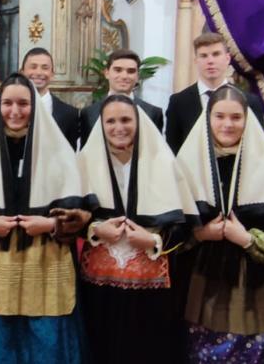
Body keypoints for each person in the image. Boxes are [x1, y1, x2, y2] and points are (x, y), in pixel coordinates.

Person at [0, 74, 94, 364]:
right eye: (7, 103)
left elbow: (81, 211)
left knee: (43, 338)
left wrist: (53, 224)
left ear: (35, 106)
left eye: (23, 103)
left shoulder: (58, 150)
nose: (15, 111)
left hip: (44, 259)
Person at [177, 86, 264, 363]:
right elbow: (172, 233)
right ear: (207, 119)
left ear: (248, 120)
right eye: (219, 116)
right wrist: (201, 234)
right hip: (204, 282)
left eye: (236, 117)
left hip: (256, 284)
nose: (227, 124)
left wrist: (246, 239)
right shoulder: (187, 166)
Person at [76, 94, 195, 363]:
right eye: (111, 121)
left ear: (139, 122)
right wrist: (95, 229)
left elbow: (184, 225)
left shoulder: (164, 162)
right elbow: (70, 220)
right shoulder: (83, 162)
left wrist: (154, 240)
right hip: (99, 287)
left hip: (150, 288)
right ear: (101, 125)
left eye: (126, 120)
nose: (119, 127)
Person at [164, 32, 264, 154]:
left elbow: (257, 147)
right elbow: (173, 149)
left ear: (227, 59)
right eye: (204, 56)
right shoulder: (178, 102)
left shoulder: (249, 101)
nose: (210, 61)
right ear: (196, 61)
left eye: (216, 54)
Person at [79, 49, 164, 146]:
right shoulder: (88, 113)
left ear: (137, 76)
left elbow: (155, 154)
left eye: (130, 71)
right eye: (118, 70)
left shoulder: (153, 113)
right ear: (107, 73)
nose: (124, 76)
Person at [20, 47, 80, 148]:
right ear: (22, 72)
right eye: (33, 67)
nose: (39, 73)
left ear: (52, 74)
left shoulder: (70, 114)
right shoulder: (10, 110)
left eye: (45, 68)